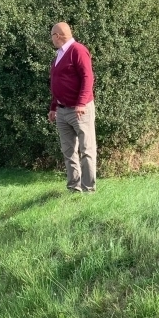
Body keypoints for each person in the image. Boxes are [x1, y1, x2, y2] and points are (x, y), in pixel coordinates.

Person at [47, 22, 96, 193]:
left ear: (57, 36)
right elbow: (57, 82)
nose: (51, 39)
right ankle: (74, 189)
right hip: (62, 110)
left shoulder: (78, 50)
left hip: (79, 110)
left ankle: (88, 189)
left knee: (87, 149)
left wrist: (81, 103)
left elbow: (87, 78)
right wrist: (53, 107)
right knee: (69, 151)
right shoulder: (59, 55)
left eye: (52, 36)